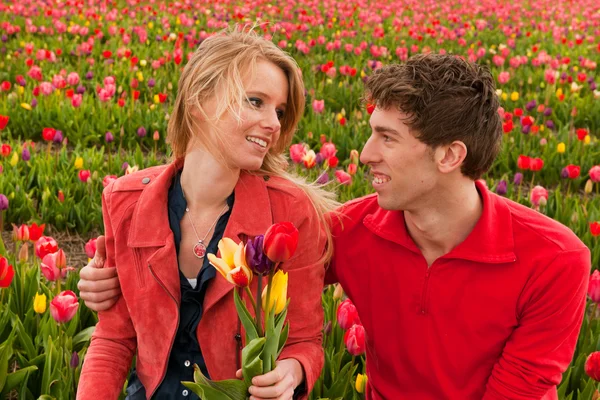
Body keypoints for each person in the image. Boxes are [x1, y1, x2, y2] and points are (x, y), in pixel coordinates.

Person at [79, 54, 591, 399]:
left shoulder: (555, 259)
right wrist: (113, 280)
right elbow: (256, 290)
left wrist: (296, 366)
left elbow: (519, 390)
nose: (365, 154)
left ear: (450, 155)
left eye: (387, 139)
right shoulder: (350, 230)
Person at [77, 27, 338, 400]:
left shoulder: (290, 213)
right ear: (199, 102)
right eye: (255, 101)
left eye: (279, 110)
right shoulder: (126, 202)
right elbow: (114, 338)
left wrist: (289, 373)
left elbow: (304, 341)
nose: (274, 123)